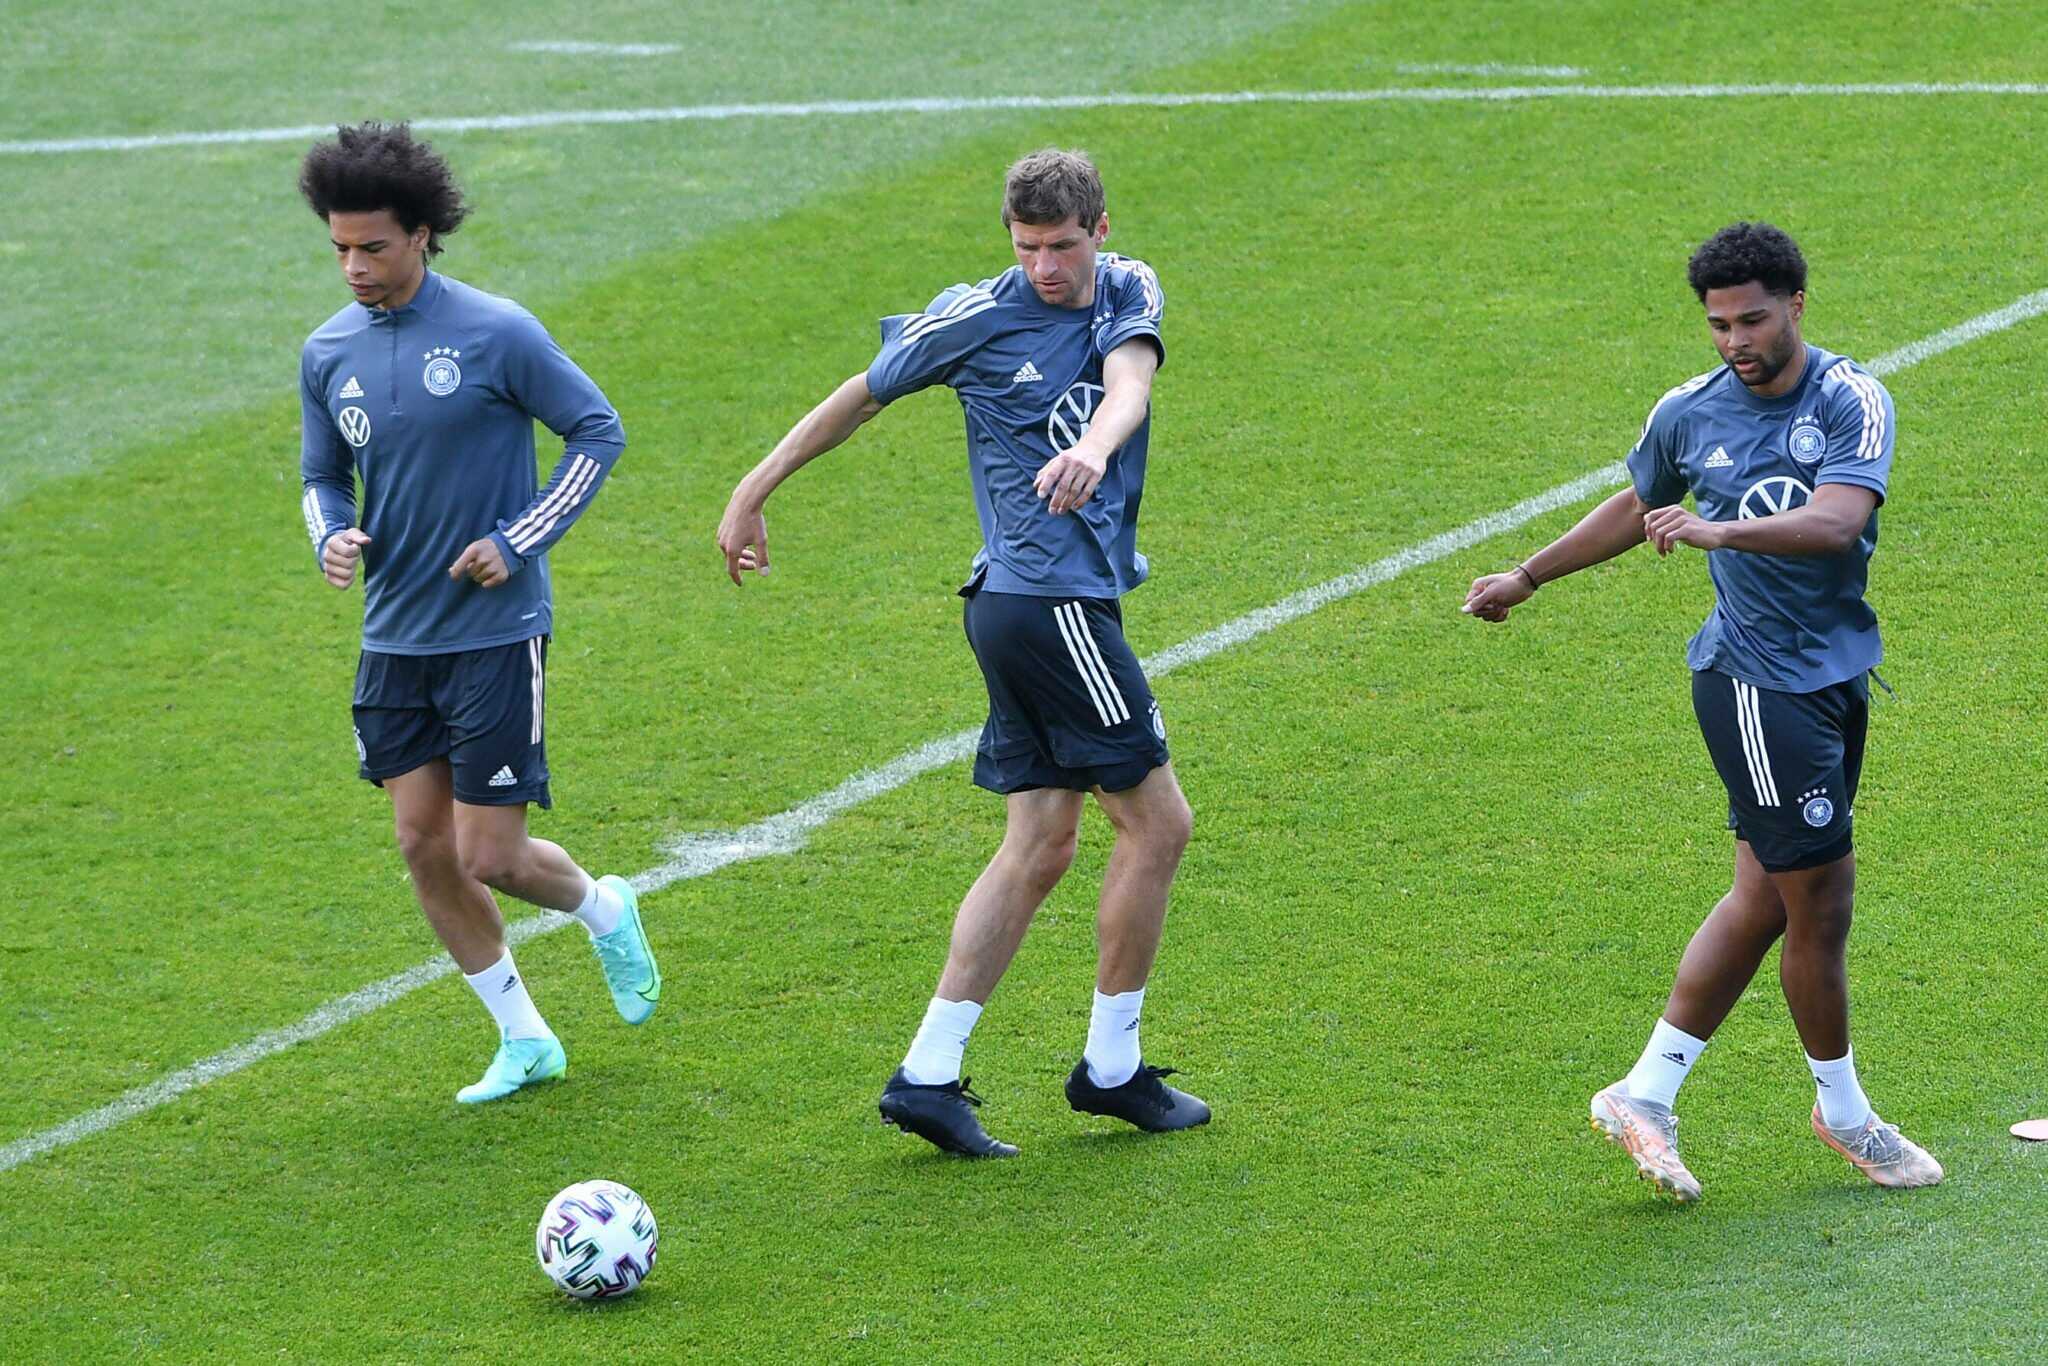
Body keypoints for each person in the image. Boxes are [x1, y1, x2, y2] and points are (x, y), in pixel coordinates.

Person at [716, 149, 1207, 1157]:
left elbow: (1127, 384)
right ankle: (1109, 1069)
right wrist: (752, 487)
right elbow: (862, 393)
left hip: (1041, 607)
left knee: (1038, 844)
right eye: (1025, 248)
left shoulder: (1129, 289)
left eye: (1062, 247)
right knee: (1157, 826)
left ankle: (927, 1075)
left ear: (1099, 232)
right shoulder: (972, 317)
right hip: (1042, 605)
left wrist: (1095, 448)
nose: (1044, 269)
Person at [1462, 221, 1941, 1201]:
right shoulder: (1688, 411)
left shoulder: (1850, 399)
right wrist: (1526, 573)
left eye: (1750, 319)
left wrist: (1719, 529)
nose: (1733, 341)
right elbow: (1631, 500)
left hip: (1832, 671)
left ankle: (1642, 1093)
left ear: (1794, 305)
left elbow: (1837, 519)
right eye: (1717, 324)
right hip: (1755, 688)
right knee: (1819, 901)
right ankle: (1843, 1113)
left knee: (1764, 898)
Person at [297, 122, 660, 1104]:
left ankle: (602, 905)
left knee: (488, 853)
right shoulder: (327, 352)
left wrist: (520, 539)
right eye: (338, 247)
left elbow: (597, 431)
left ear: (422, 234)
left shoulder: (497, 332)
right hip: (393, 640)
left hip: (494, 637)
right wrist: (328, 535)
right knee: (422, 845)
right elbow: (323, 476)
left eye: (371, 246)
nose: (353, 267)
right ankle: (523, 1035)